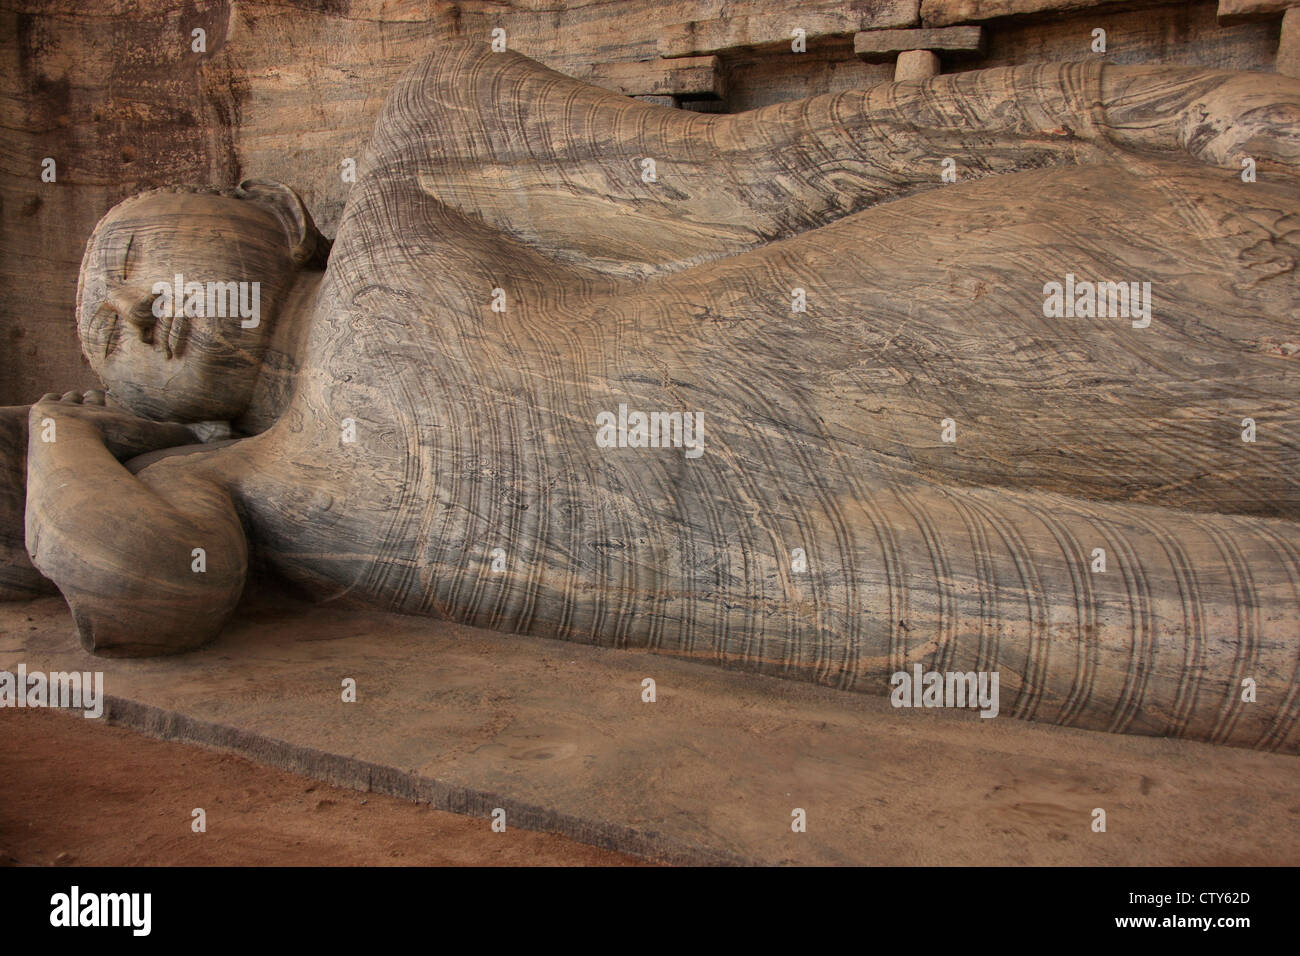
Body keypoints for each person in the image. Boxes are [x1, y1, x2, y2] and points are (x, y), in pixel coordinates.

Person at [13, 41, 1300, 748]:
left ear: (267, 210)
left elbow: (764, 166)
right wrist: (64, 431)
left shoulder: (417, 160)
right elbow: (130, 576)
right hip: (854, 554)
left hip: (910, 321)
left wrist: (1162, 107)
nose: (136, 311)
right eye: (107, 336)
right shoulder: (230, 486)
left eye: (128, 258)